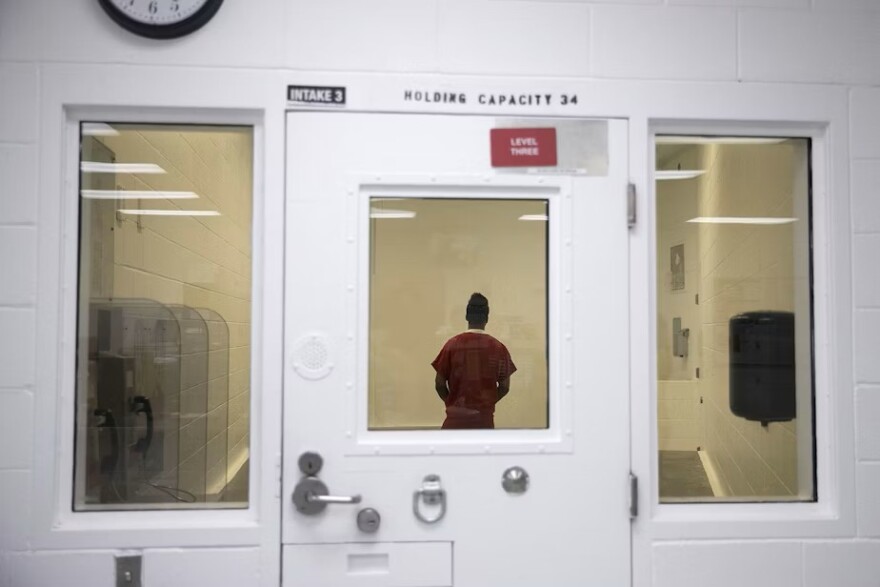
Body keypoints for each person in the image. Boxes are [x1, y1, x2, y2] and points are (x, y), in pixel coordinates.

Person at [431, 293, 517, 429]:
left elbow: (439, 384)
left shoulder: (452, 345)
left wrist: (452, 403)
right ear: (487, 318)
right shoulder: (498, 348)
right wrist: (486, 404)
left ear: (467, 316)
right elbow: (504, 387)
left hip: (455, 422)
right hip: (483, 422)